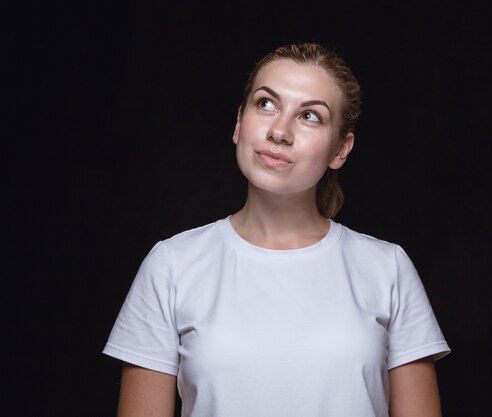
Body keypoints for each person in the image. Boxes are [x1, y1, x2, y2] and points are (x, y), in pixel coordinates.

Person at [103, 42, 450, 417]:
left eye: (310, 116)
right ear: (239, 123)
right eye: (266, 104)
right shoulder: (171, 265)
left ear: (341, 150)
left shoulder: (388, 268)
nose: (280, 132)